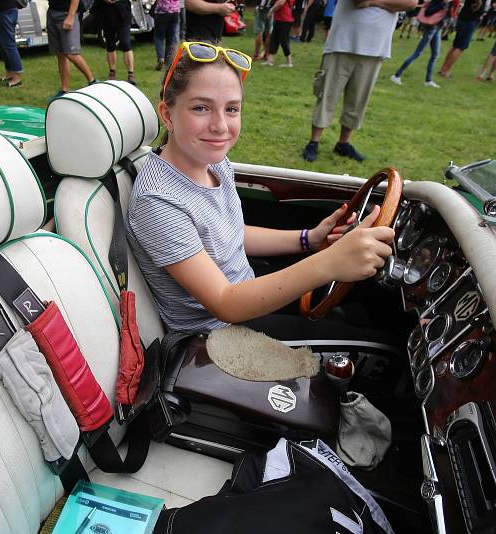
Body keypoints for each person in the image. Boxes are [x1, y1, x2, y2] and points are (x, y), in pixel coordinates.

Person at [126, 42, 395, 337]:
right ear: (167, 115)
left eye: (231, 109)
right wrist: (330, 262)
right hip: (217, 337)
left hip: (247, 290)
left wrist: (310, 239)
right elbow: (224, 303)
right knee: (377, 341)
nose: (220, 126)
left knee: (374, 295)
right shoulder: (158, 200)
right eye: (201, 108)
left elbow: (231, 233)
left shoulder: (214, 163)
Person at [302, 0, 417, 163]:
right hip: (342, 43)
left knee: (358, 100)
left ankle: (343, 143)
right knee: (327, 95)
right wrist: (390, 4)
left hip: (375, 48)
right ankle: (314, 142)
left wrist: (374, 2)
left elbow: (410, 3)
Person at [390, 0, 456, 88]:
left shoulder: (447, 2)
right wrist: (443, 5)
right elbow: (428, 12)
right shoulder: (439, 2)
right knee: (417, 53)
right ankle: (396, 75)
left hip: (438, 28)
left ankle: (428, 80)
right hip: (432, 28)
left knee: (435, 55)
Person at [46, 0, 96, 96]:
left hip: (67, 14)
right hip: (52, 12)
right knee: (60, 54)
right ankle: (65, 90)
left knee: (71, 54)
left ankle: (92, 81)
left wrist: (70, 16)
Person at [438, 0, 495, 78]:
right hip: (469, 20)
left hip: (464, 18)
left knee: (455, 45)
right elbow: (478, 4)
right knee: (460, 47)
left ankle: (443, 69)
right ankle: (446, 70)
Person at [0, 0, 23, 87]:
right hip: (1, 12)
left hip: (4, 12)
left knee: (8, 45)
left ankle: (16, 78)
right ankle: (9, 73)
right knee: (3, 45)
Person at [264, 0, 295, 66]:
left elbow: (280, 3)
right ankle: (270, 60)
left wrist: (271, 11)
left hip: (285, 19)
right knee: (274, 39)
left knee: (284, 40)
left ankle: (289, 62)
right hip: (279, 18)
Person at [153, 0, 182, 70]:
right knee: (171, 38)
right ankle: (168, 61)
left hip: (162, 11)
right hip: (175, 11)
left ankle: (161, 58)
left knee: (158, 37)